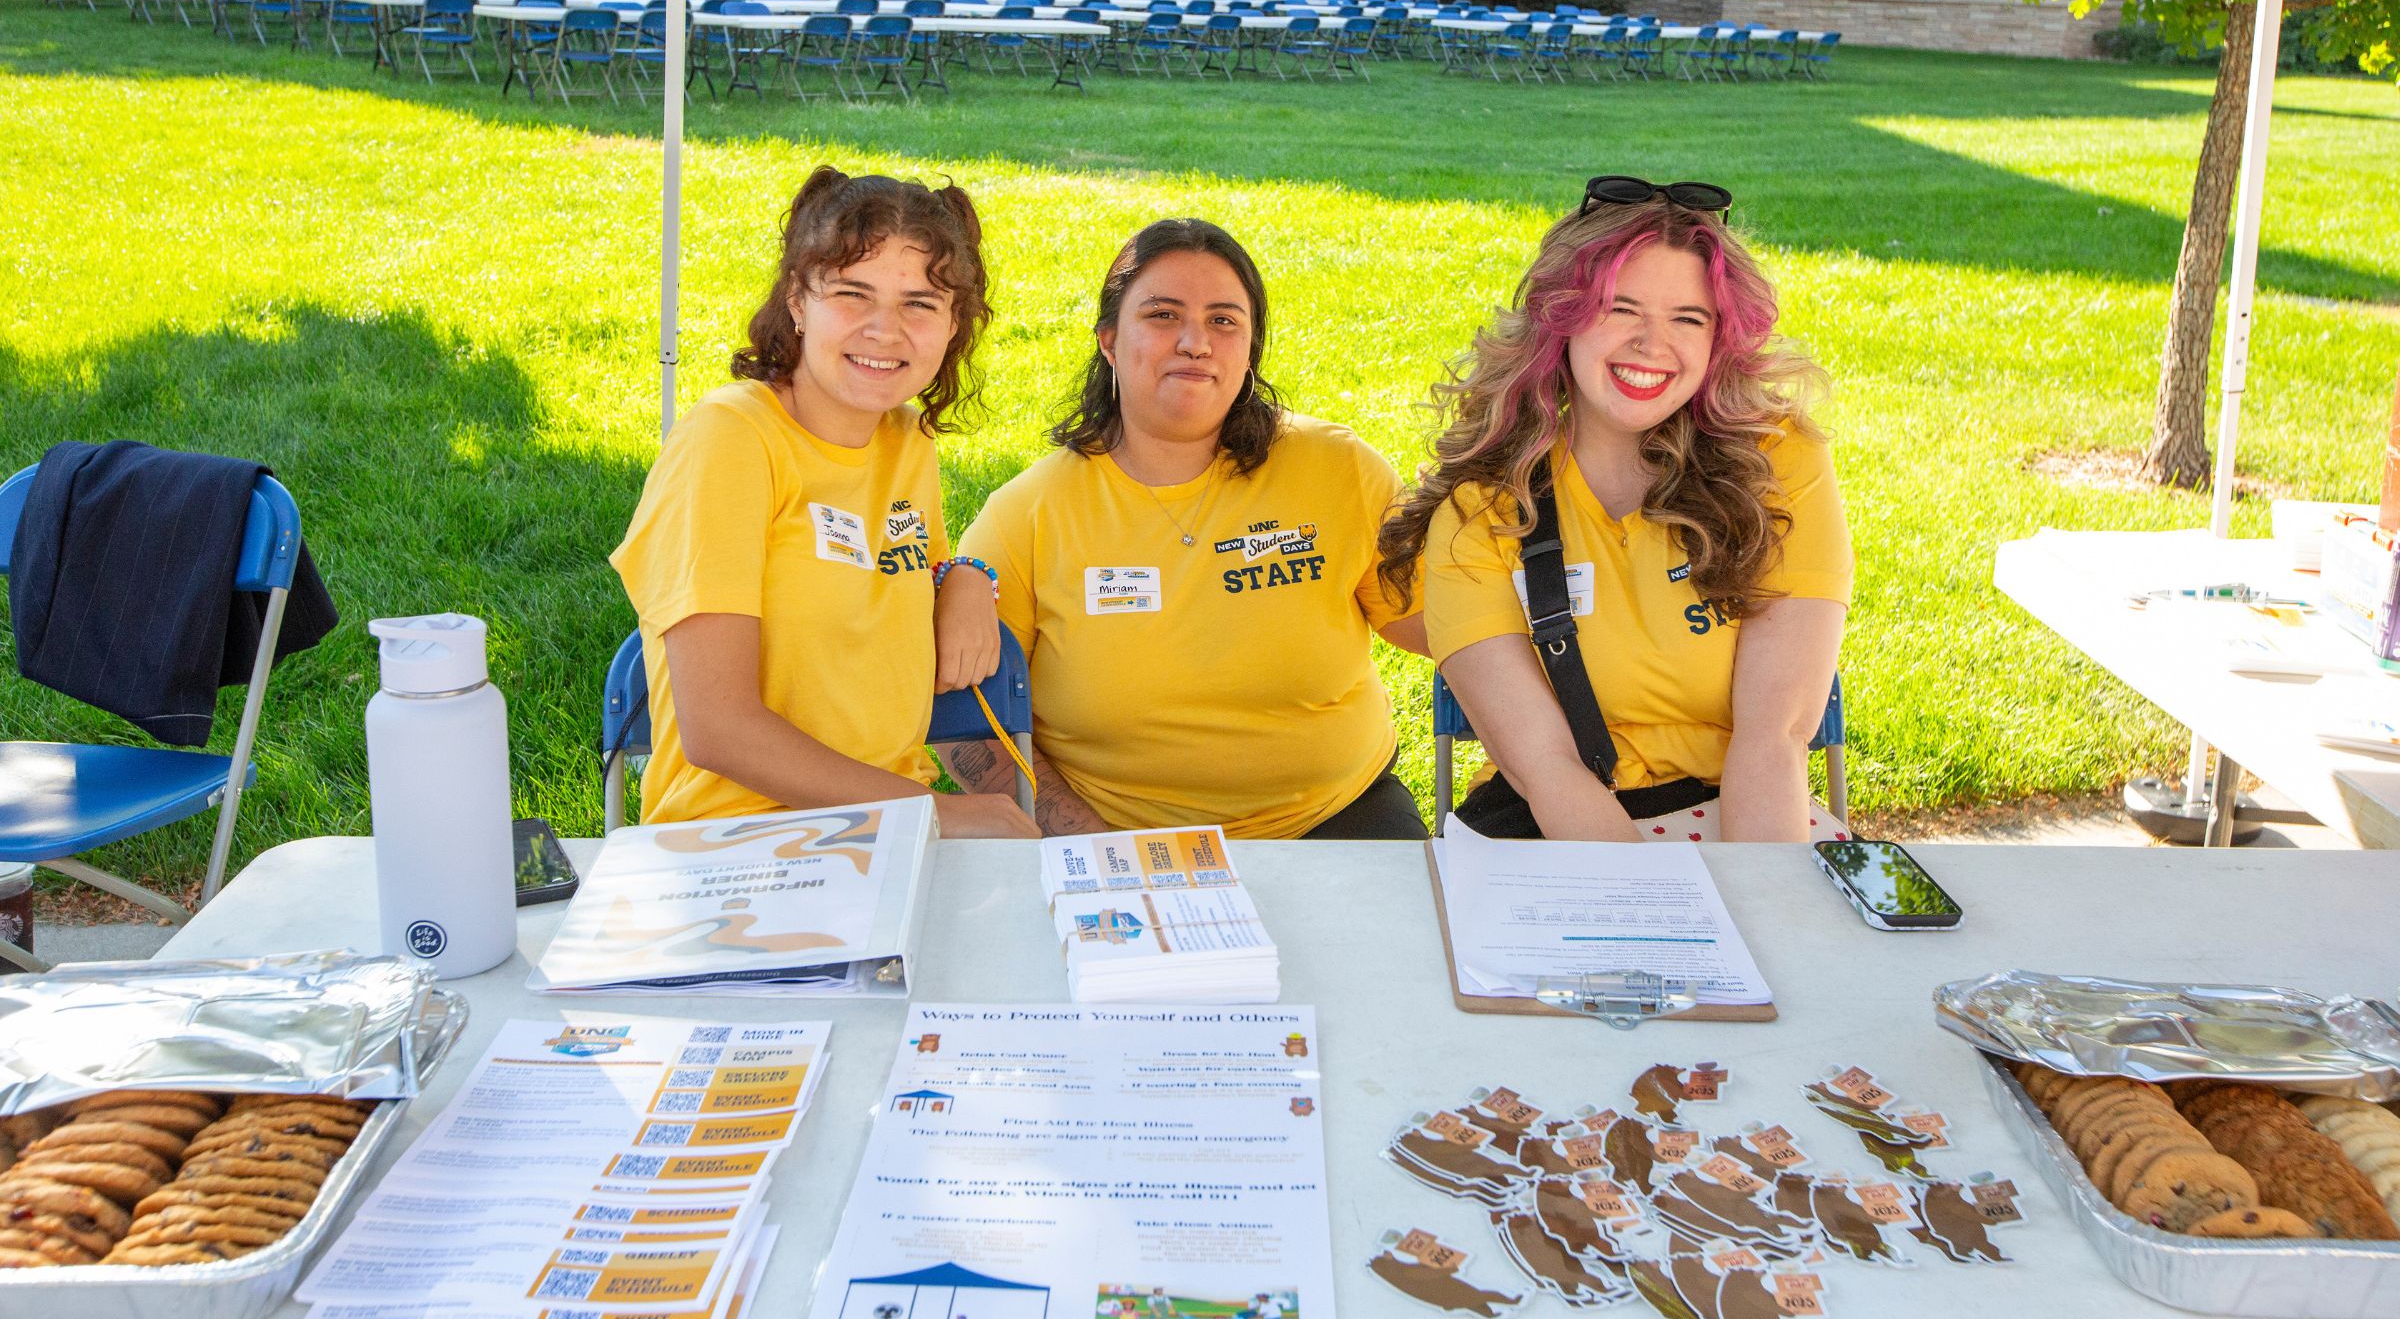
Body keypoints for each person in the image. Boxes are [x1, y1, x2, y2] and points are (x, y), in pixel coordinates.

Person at [1379, 176, 1851, 843]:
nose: (1651, 345)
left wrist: (1758, 909)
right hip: (1564, 826)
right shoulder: (1483, 508)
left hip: (1750, 817)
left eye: (1688, 318)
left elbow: (1774, 738)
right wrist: (1658, 920)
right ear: (1559, 320)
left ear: (1720, 340)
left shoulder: (1780, 461)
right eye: (1619, 309)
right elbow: (1546, 769)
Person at [940, 218, 1430, 840]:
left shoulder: (1339, 470)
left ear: (1249, 350)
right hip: (1114, 837)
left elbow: (1436, 626)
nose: (1196, 342)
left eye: (1224, 320)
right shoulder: (1027, 515)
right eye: (1164, 315)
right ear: (1110, 341)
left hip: (1338, 816)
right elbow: (968, 725)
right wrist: (1087, 839)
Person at [610, 166, 1036, 836]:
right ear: (798, 302)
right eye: (851, 293)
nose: (884, 330)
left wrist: (966, 580)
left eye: (920, 303)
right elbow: (718, 728)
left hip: (885, 835)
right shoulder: (731, 439)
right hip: (738, 839)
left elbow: (910, 580)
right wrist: (936, 817)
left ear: (955, 323)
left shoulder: (904, 441)